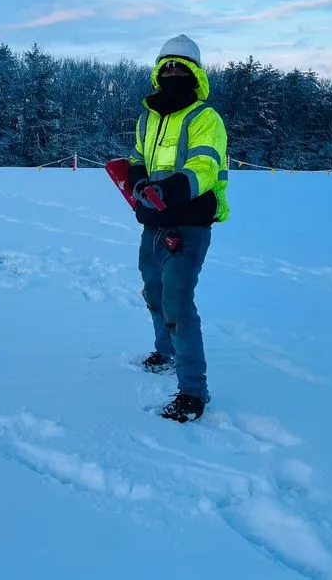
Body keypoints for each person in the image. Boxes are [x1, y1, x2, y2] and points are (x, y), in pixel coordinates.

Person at [126, 34, 230, 423]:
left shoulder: (205, 118)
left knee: (178, 302)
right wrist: (138, 181)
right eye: (166, 66)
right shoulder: (148, 117)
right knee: (153, 289)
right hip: (153, 221)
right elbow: (138, 156)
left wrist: (165, 191)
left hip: (188, 222)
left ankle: (192, 392)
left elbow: (204, 166)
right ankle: (165, 350)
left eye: (180, 67)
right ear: (157, 71)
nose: (172, 73)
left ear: (194, 73)